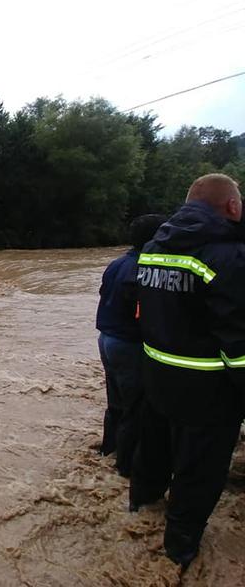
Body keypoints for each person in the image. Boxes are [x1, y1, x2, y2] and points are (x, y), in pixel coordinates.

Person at [129, 173, 245, 569]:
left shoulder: (154, 246)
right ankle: (179, 549)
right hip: (207, 390)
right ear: (232, 206)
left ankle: (140, 503)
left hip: (157, 375)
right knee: (200, 471)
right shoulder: (226, 255)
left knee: (155, 448)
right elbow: (238, 338)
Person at [96, 214, 167, 477]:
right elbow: (143, 313)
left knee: (116, 402)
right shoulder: (143, 269)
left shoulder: (117, 263)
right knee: (135, 408)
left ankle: (108, 450)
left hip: (107, 338)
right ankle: (125, 468)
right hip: (128, 344)